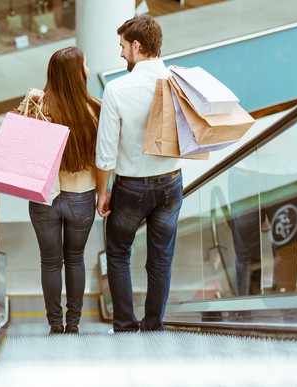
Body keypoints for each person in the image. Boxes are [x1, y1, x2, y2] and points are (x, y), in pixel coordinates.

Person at [96, 15, 183, 332]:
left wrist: (102, 192)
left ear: (137, 46)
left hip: (131, 187)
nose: (120, 54)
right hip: (172, 182)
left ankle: (124, 324)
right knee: (161, 258)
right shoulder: (178, 81)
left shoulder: (117, 89)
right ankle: (153, 325)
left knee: (118, 253)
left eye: (122, 47)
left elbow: (105, 153)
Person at [24, 46, 101, 334]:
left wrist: (29, 101)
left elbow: (22, 148)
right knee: (76, 259)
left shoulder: (39, 109)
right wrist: (104, 191)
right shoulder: (95, 108)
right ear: (77, 74)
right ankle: (74, 323)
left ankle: (54, 324)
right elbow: (103, 158)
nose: (89, 69)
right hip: (81, 197)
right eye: (86, 64)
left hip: (45, 198)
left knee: (50, 262)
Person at [229, 107, 297, 295]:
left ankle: (247, 312)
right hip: (283, 176)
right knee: (286, 249)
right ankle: (283, 310)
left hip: (246, 170)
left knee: (247, 253)